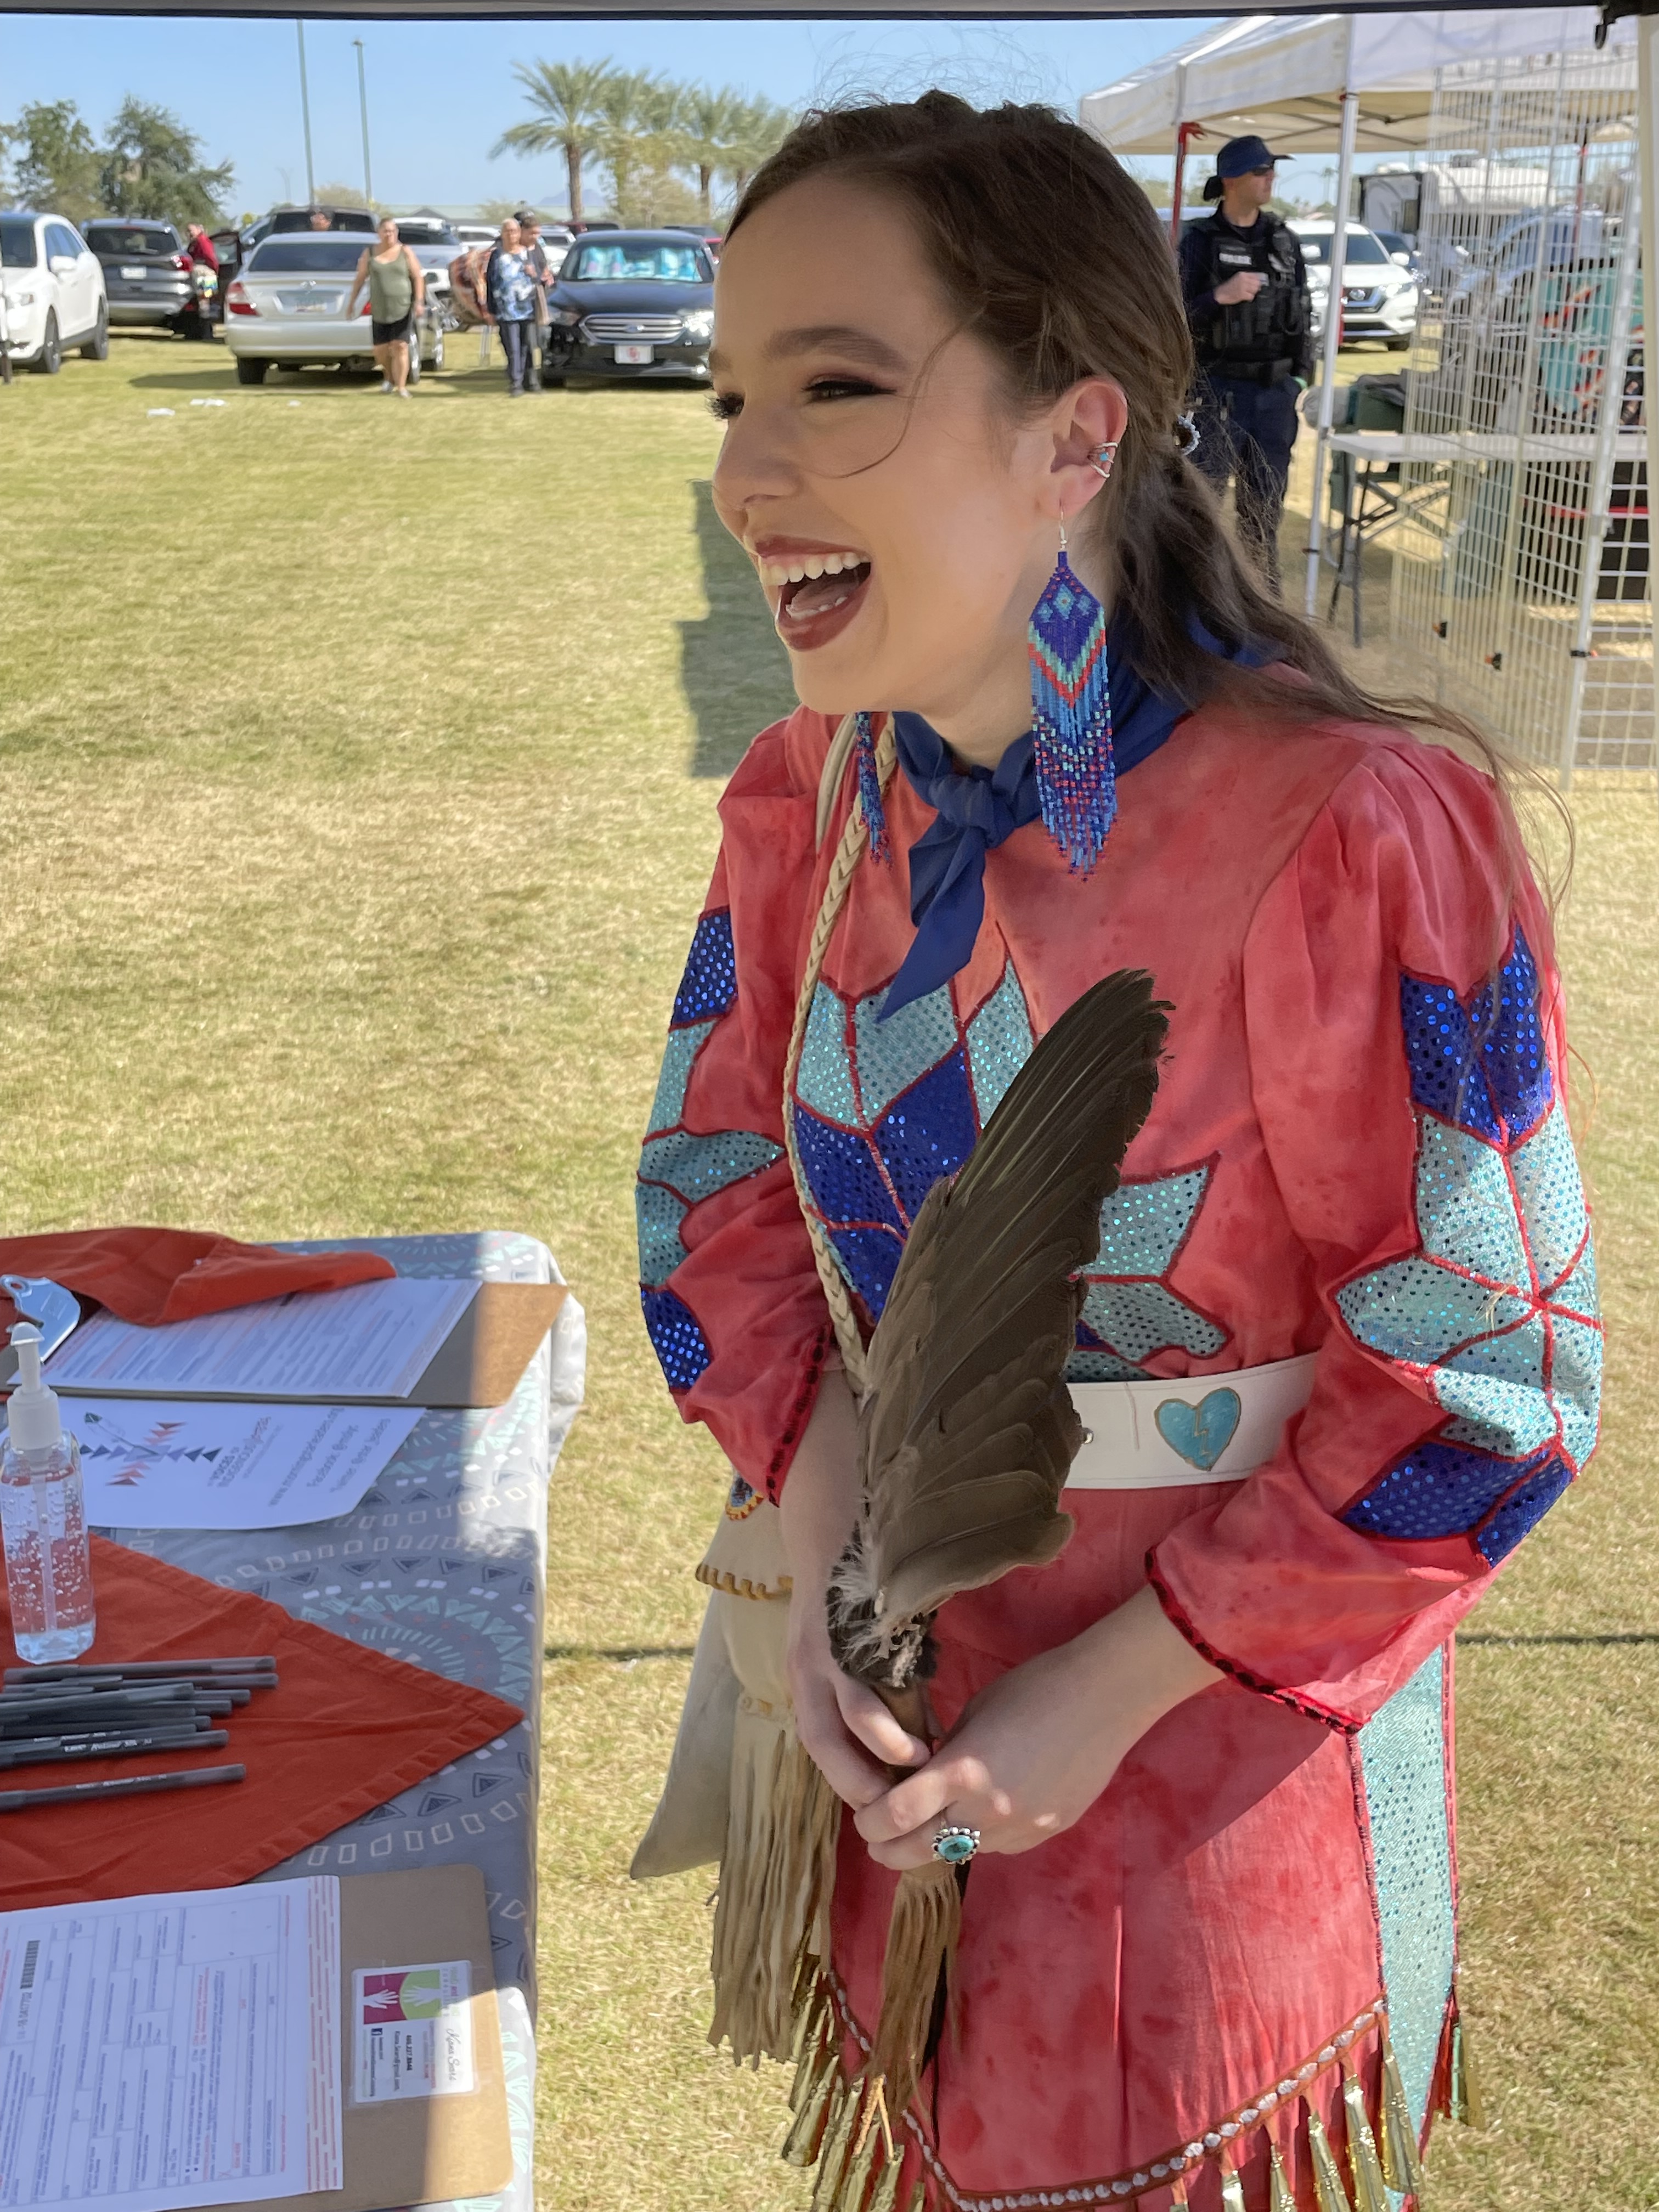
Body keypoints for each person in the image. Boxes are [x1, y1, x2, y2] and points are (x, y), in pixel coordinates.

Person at [632, 91, 1599, 2212]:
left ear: (1072, 436)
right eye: (729, 400)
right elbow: (715, 1204)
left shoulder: (1348, 834)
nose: (742, 473)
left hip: (1206, 1776)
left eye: (832, 388)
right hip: (895, 1734)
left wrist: (1107, 1692)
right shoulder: (817, 795)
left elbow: (1484, 1381)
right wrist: (820, 1552)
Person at [1177, 136, 1314, 593]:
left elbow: (1303, 315)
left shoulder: (1284, 242)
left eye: (1272, 170)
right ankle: (1200, 604)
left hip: (1274, 399)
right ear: (1231, 180)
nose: (1271, 178)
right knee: (1201, 511)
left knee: (1264, 514)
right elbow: (1173, 318)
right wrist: (1219, 296)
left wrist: (1299, 381)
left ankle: (1262, 607)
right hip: (1218, 396)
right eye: (1261, 171)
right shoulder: (1199, 242)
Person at [343, 215, 424, 397]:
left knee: (400, 346)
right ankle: (389, 376)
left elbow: (418, 277)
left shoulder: (405, 252)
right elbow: (360, 279)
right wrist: (352, 303)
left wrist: (419, 301)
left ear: (397, 232)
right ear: (379, 233)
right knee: (380, 351)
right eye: (386, 231)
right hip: (380, 309)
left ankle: (401, 387)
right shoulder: (370, 253)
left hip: (402, 307)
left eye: (392, 231)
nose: (389, 235)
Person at [483, 216, 538, 396]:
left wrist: (534, 274)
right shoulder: (497, 255)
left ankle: (524, 381)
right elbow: (490, 282)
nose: (511, 235)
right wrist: (490, 309)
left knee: (524, 346)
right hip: (506, 310)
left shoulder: (527, 253)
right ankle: (516, 383)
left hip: (526, 308)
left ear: (519, 233)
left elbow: (539, 280)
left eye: (514, 231)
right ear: (502, 234)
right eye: (507, 231)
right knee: (512, 347)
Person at [517, 212, 556, 390]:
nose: (535, 237)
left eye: (537, 233)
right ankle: (529, 380)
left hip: (538, 299)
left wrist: (546, 276)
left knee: (541, 339)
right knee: (528, 342)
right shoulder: (516, 250)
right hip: (522, 303)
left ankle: (541, 376)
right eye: (532, 233)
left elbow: (543, 269)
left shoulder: (537, 249)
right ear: (522, 231)